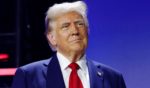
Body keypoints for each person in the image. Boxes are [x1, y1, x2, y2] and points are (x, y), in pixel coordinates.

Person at [12, 1, 126, 88]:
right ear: (52, 38)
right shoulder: (28, 76)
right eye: (66, 26)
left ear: (88, 31)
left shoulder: (113, 78)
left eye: (80, 24)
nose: (75, 31)